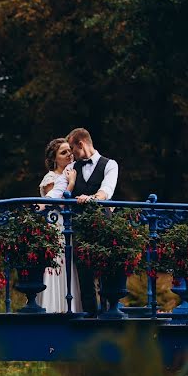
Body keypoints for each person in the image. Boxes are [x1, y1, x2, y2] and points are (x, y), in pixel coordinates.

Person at [52, 127, 119, 315]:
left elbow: (107, 190)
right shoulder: (71, 168)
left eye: (72, 149)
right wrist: (39, 205)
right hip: (79, 225)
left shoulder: (110, 164)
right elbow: (57, 191)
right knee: (84, 272)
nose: (71, 155)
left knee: (106, 269)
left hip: (103, 223)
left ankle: (108, 316)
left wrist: (93, 198)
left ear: (80, 144)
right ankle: (90, 318)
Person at [37, 138, 82, 313]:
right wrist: (70, 184)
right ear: (54, 159)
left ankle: (72, 308)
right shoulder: (51, 177)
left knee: (70, 266)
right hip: (56, 226)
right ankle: (54, 309)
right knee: (57, 264)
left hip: (70, 226)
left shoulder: (74, 172)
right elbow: (59, 203)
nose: (69, 155)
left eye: (70, 151)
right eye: (63, 152)